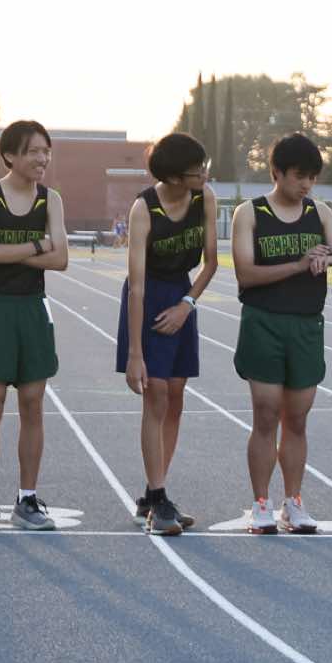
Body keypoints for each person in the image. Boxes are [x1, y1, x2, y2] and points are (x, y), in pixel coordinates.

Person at [232, 134, 332, 535]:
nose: (307, 185)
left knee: (297, 419)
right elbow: (246, 274)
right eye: (299, 176)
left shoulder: (320, 212)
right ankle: (261, 503)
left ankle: (294, 502)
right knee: (266, 414)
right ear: (277, 172)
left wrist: (330, 256)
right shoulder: (249, 213)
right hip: (264, 322)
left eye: (312, 177)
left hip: (306, 324)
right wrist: (299, 265)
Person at [0, 121, 69, 530]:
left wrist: (9, 253)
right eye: (33, 151)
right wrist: (40, 244)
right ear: (10, 155)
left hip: (32, 308)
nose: (42, 159)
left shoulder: (50, 199)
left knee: (32, 404)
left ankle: (27, 500)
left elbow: (61, 259)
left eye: (46, 151)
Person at [118, 131, 218, 536]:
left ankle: (152, 493)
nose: (205, 175)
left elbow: (211, 263)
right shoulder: (144, 209)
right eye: (198, 170)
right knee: (155, 394)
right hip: (147, 297)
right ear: (175, 177)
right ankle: (159, 497)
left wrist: (186, 305)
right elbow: (136, 286)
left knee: (175, 395)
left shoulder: (204, 198)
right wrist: (135, 354)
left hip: (182, 296)